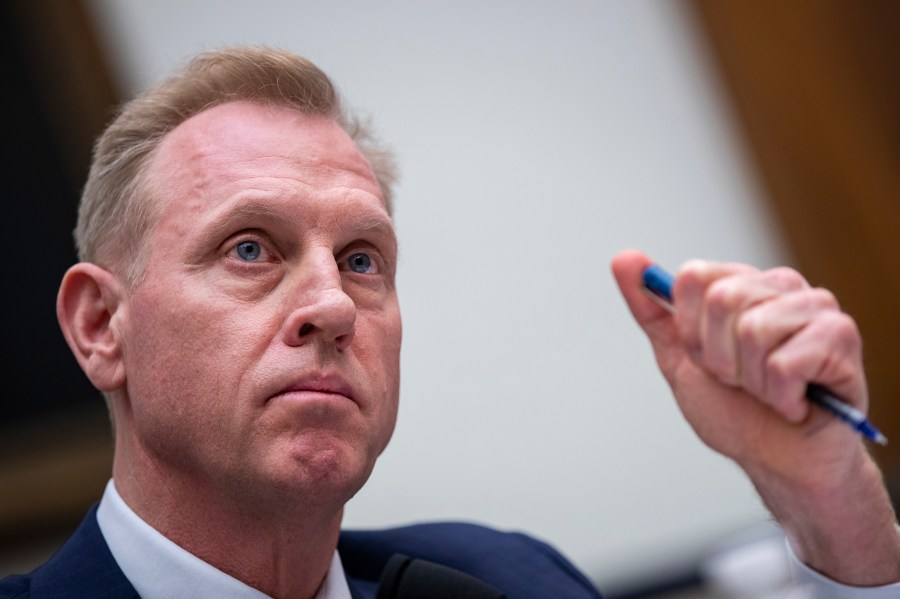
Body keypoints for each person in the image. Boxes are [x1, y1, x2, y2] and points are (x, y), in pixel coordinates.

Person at [1, 45, 898, 598]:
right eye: (249, 249)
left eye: (362, 260)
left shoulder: (508, 581)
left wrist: (829, 501)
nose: (330, 306)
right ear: (100, 325)